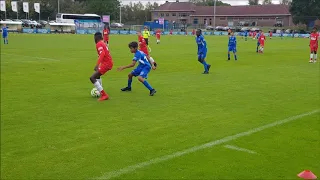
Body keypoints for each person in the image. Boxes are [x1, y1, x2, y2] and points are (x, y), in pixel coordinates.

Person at [90, 32, 113, 101]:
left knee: (92, 78)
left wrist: (97, 65)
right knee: (97, 75)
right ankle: (101, 90)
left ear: (96, 37)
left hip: (106, 63)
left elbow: (102, 54)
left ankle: (104, 95)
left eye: (94, 38)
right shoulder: (102, 43)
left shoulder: (99, 44)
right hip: (108, 62)